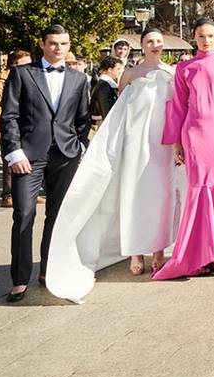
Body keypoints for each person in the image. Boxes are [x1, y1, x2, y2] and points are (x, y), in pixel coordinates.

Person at [46, 29, 184, 300]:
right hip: (135, 143)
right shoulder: (130, 75)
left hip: (163, 144)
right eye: (149, 41)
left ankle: (158, 250)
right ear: (141, 46)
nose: (155, 45)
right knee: (133, 194)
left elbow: (177, 109)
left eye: (158, 41)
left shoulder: (173, 73)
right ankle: (136, 251)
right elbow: (120, 114)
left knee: (162, 196)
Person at [153, 17, 214, 280]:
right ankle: (196, 256)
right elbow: (177, 107)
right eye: (201, 36)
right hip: (193, 134)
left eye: (210, 36)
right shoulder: (184, 68)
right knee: (197, 191)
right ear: (194, 38)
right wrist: (175, 141)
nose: (206, 40)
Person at [0, 26, 91, 302]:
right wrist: (15, 153)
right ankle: (19, 279)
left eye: (63, 43)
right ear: (42, 44)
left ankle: (48, 270)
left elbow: (83, 119)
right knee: (24, 214)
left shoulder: (78, 79)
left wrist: (80, 146)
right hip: (28, 157)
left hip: (65, 156)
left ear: (69, 44)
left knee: (57, 216)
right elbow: (9, 117)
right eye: (53, 43)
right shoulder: (22, 74)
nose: (58, 48)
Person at [0, 50, 32, 208]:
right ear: (14, 64)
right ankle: (8, 195)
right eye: (24, 64)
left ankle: (29, 193)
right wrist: (7, 119)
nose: (28, 67)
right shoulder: (2, 78)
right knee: (10, 159)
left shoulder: (31, 77)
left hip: (28, 126)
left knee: (28, 158)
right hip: (9, 127)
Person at [90, 55, 124, 130]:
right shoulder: (104, 85)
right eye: (118, 69)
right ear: (109, 69)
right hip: (104, 123)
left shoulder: (106, 83)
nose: (120, 71)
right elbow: (106, 109)